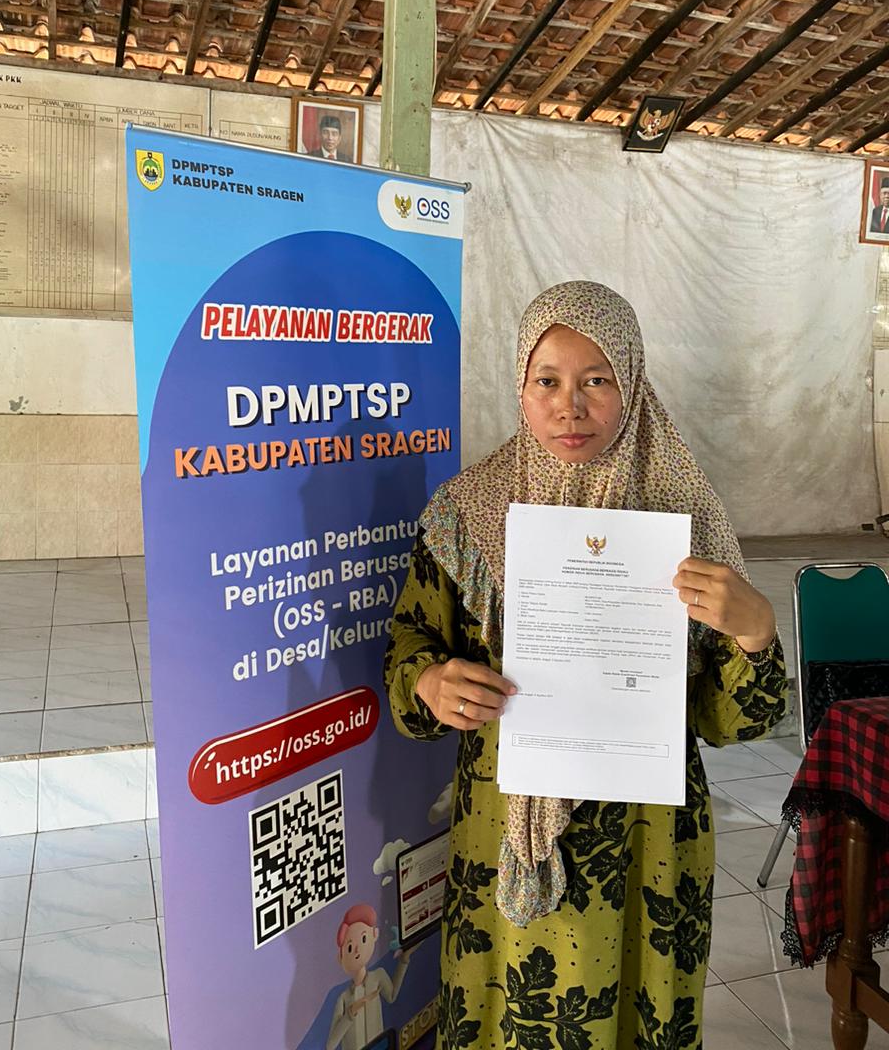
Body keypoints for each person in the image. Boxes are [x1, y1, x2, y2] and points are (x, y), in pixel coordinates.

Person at [383, 281, 786, 1050]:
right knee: (505, 1015)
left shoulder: (686, 519)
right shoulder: (466, 515)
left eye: (596, 379)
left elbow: (732, 721)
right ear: (521, 386)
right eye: (548, 380)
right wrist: (429, 682)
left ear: (631, 383)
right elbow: (409, 646)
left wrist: (755, 634)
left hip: (647, 844)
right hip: (505, 833)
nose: (569, 406)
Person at [327, 904, 410, 1050]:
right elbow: (330, 1045)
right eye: (350, 947)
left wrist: (404, 960)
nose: (357, 950)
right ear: (341, 958)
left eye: (363, 938)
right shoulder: (344, 999)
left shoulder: (378, 976)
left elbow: (391, 996)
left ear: (375, 934)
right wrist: (350, 1013)